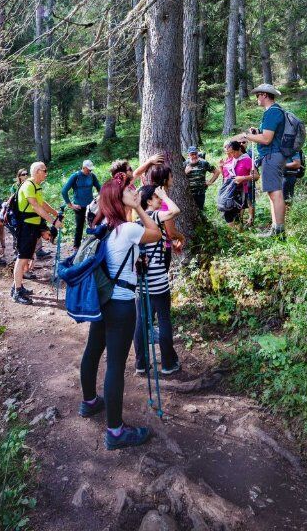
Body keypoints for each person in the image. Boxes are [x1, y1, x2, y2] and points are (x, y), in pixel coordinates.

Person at [77, 177, 161, 450]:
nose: (134, 191)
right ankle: (115, 431)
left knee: (93, 350)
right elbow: (156, 232)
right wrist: (139, 209)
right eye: (128, 190)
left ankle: (89, 402)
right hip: (122, 305)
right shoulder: (127, 230)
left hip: (102, 301)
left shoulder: (101, 228)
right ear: (117, 199)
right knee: (115, 364)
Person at [133, 185, 180, 376]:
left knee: (141, 322)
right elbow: (176, 210)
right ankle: (168, 363)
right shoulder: (154, 216)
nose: (158, 199)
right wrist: (166, 196)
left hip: (141, 281)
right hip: (158, 281)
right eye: (155, 197)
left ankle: (141, 364)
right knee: (163, 320)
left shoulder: (136, 222)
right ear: (148, 201)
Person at [235, 83, 288, 238]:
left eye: (257, 95)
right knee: (273, 193)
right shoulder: (274, 111)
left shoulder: (272, 112)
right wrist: (256, 132)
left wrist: (246, 136)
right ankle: (276, 228)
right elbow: (267, 135)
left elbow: (266, 139)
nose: (256, 97)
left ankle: (279, 231)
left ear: (265, 95)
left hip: (272, 155)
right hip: (272, 155)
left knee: (276, 193)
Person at [11, 162, 62, 305]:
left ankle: (17, 285)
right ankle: (17, 292)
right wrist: (53, 222)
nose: (46, 173)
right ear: (38, 171)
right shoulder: (28, 185)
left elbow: (42, 203)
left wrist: (55, 213)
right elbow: (35, 206)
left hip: (33, 226)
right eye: (45, 170)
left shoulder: (36, 186)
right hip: (25, 226)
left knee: (27, 257)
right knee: (22, 258)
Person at [61, 160, 102, 250]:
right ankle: (76, 246)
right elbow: (64, 191)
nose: (90, 171)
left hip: (91, 206)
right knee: (79, 226)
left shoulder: (92, 176)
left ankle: (94, 244)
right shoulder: (75, 176)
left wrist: (101, 199)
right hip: (79, 206)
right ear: (83, 168)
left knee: (94, 224)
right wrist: (70, 205)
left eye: (91, 170)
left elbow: (99, 188)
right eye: (88, 170)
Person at [218, 140, 253, 225]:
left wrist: (243, 178)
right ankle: (235, 234)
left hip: (240, 191)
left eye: (233, 152)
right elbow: (225, 174)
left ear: (239, 149)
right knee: (228, 214)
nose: (232, 155)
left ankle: (237, 234)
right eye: (230, 153)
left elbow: (256, 176)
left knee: (235, 215)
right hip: (229, 191)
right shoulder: (232, 160)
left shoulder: (247, 160)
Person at [184, 146, 216, 212]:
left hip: (200, 193)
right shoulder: (185, 164)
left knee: (200, 210)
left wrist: (210, 181)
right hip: (188, 193)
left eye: (195, 154)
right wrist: (185, 172)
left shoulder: (204, 163)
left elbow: (217, 172)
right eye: (192, 154)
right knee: (189, 211)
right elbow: (178, 179)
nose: (194, 156)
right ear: (188, 155)